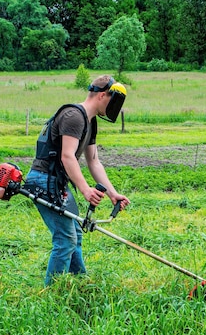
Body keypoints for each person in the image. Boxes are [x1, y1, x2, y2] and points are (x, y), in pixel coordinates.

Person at [24, 75, 130, 286]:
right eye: (114, 101)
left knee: (75, 236)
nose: (114, 108)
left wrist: (112, 193)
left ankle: (80, 285)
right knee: (65, 239)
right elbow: (67, 156)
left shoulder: (90, 121)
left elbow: (93, 161)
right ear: (102, 95)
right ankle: (52, 294)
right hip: (43, 180)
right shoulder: (74, 116)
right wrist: (85, 189)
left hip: (56, 182)